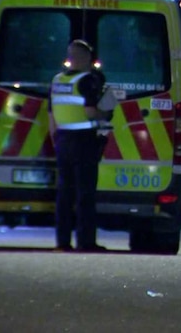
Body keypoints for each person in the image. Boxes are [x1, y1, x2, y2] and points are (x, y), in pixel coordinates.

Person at [49, 39, 112, 252]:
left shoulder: (57, 81)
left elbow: (51, 115)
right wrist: (107, 111)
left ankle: (62, 242)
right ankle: (86, 242)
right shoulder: (86, 80)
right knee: (85, 194)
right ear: (86, 58)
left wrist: (56, 139)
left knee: (64, 194)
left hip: (63, 140)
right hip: (84, 140)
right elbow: (91, 112)